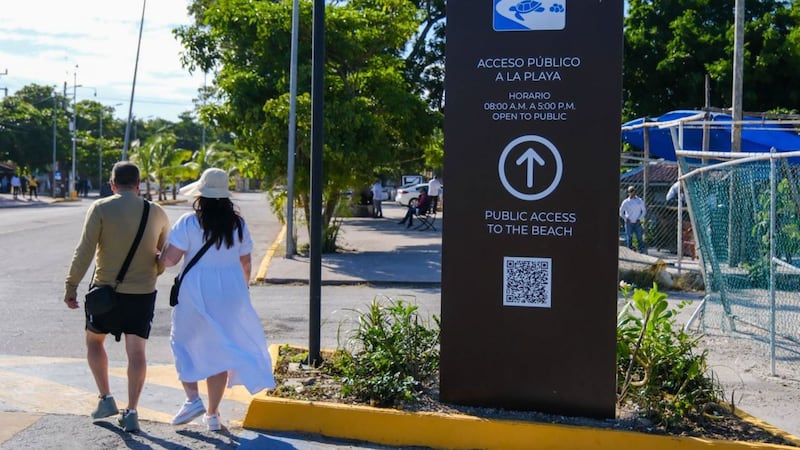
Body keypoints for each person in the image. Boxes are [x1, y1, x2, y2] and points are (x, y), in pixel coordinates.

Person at [159, 168, 275, 431]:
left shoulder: (189, 222)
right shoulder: (237, 224)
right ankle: (212, 415)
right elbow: (246, 263)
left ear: (201, 195)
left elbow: (170, 261)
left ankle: (192, 399)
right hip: (230, 294)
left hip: (195, 293)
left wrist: (158, 254)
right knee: (219, 351)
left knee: (182, 343)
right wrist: (240, 291)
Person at [63, 161, 170, 433]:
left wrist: (71, 286)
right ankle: (132, 412)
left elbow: (84, 251)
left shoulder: (100, 208)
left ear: (112, 184)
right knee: (136, 353)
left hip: (105, 294)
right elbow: (163, 256)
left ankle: (106, 398)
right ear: (138, 185)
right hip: (142, 294)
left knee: (94, 342)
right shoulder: (156, 212)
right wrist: (152, 271)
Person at [619, 185, 647, 253]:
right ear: (628, 192)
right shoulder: (625, 202)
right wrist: (626, 219)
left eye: (633, 191)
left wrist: (639, 218)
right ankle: (630, 252)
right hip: (629, 223)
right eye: (630, 191)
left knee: (639, 237)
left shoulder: (639, 201)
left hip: (637, 222)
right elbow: (621, 212)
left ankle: (641, 251)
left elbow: (644, 211)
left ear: (635, 192)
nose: (632, 193)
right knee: (629, 238)